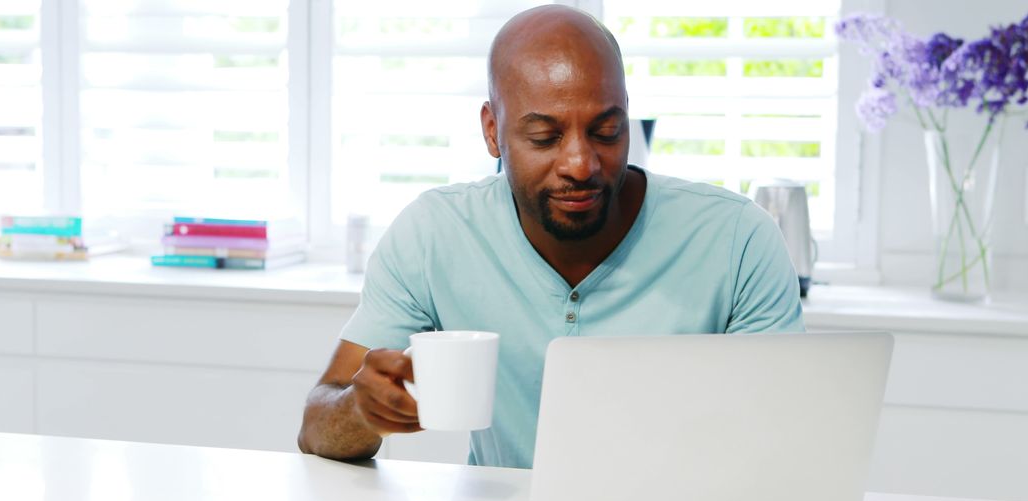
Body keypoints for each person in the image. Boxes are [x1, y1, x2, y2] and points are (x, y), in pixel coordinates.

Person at [298, 5, 804, 468]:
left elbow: (788, 437)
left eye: (607, 131)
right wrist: (360, 411)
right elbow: (316, 427)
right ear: (493, 130)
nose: (580, 164)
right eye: (545, 137)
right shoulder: (435, 233)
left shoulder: (737, 239)